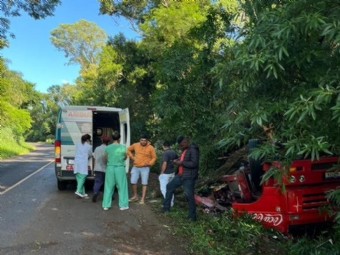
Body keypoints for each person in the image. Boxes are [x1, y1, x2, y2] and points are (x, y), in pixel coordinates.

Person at [160, 136, 199, 221]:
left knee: (189, 196)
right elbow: (183, 159)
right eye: (181, 145)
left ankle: (192, 217)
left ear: (186, 141)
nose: (181, 146)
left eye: (182, 144)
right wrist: (176, 160)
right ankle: (166, 207)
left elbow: (194, 164)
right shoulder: (184, 150)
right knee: (169, 186)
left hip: (189, 177)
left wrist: (180, 163)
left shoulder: (193, 150)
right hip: (181, 175)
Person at [102, 132, 129, 211]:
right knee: (122, 187)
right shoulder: (123, 147)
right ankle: (123, 205)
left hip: (110, 168)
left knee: (108, 187)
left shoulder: (107, 148)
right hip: (120, 168)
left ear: (112, 138)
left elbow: (106, 157)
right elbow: (125, 157)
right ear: (119, 139)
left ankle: (106, 205)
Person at [127, 134, 157, 205]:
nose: (143, 142)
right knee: (133, 181)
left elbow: (154, 157)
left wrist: (149, 163)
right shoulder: (135, 145)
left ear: (147, 141)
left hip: (145, 168)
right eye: (142, 140)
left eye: (145, 140)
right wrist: (132, 157)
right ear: (140, 140)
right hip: (136, 167)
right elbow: (128, 149)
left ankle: (142, 198)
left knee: (144, 183)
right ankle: (135, 196)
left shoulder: (150, 147)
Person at [159, 141, 178, 207]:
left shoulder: (166, 153)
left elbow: (164, 163)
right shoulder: (173, 152)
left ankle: (167, 203)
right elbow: (177, 160)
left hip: (166, 173)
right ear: (169, 146)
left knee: (164, 189)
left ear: (163, 146)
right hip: (172, 172)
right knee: (170, 188)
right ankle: (171, 203)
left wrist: (162, 172)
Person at [92, 135, 111, 203]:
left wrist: (94, 168)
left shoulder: (97, 148)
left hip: (97, 168)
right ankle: (109, 195)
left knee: (98, 182)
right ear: (108, 142)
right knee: (108, 183)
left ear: (102, 141)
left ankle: (95, 192)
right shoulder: (109, 149)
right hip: (107, 169)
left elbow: (94, 158)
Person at [74, 134, 92, 198]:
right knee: (83, 177)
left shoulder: (78, 144)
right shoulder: (89, 146)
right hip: (83, 163)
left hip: (77, 162)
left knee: (79, 177)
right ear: (88, 140)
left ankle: (82, 192)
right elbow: (90, 154)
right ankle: (78, 191)